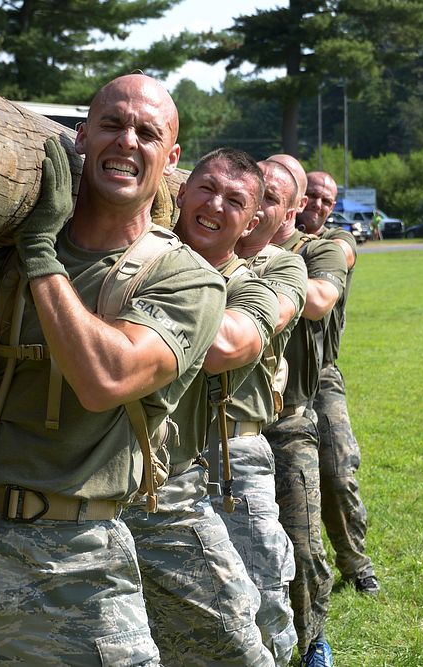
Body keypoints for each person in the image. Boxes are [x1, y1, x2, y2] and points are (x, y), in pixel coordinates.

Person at [0, 74, 227, 666]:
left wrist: (40, 254)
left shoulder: (185, 278)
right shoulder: (6, 252)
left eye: (147, 132)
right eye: (111, 125)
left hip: (74, 557)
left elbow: (103, 378)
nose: (127, 142)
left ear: (171, 158)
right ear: (81, 136)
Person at [123, 147, 280, 666]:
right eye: (207, 189)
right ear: (182, 190)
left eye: (234, 200)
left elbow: (220, 349)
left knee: (238, 635)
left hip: (171, 490)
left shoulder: (252, 286)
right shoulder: (131, 251)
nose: (215, 206)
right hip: (89, 481)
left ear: (253, 221)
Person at [202, 157, 309, 666]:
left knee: (261, 586)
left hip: (235, 450)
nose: (258, 207)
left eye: (269, 198)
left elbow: (244, 334)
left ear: (286, 214)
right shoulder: (185, 249)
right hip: (169, 453)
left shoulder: (282, 267)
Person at [262, 156, 348, 667]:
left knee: (304, 540)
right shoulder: (235, 242)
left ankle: (313, 639)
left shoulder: (322, 250)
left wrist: (263, 280)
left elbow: (318, 299)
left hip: (291, 416)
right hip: (227, 420)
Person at [299, 171, 380, 597]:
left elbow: (343, 254)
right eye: (310, 194)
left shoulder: (336, 239)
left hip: (320, 374)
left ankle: (355, 562)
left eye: (326, 200)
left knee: (336, 469)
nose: (317, 203)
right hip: (265, 377)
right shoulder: (264, 233)